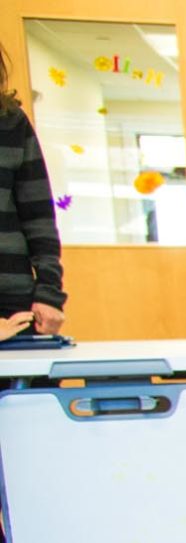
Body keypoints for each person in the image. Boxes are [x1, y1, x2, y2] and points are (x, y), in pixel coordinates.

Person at [0, 51, 65, 337]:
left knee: (32, 382)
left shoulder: (12, 121)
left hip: (14, 302)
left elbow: (38, 217)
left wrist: (49, 293)